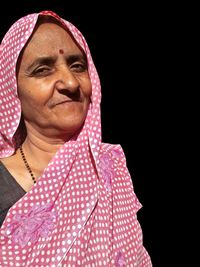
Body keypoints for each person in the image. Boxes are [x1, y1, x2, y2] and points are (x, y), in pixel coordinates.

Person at [0, 10, 152, 266]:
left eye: (78, 66)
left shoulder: (109, 168)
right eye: (43, 70)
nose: (70, 82)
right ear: (11, 89)